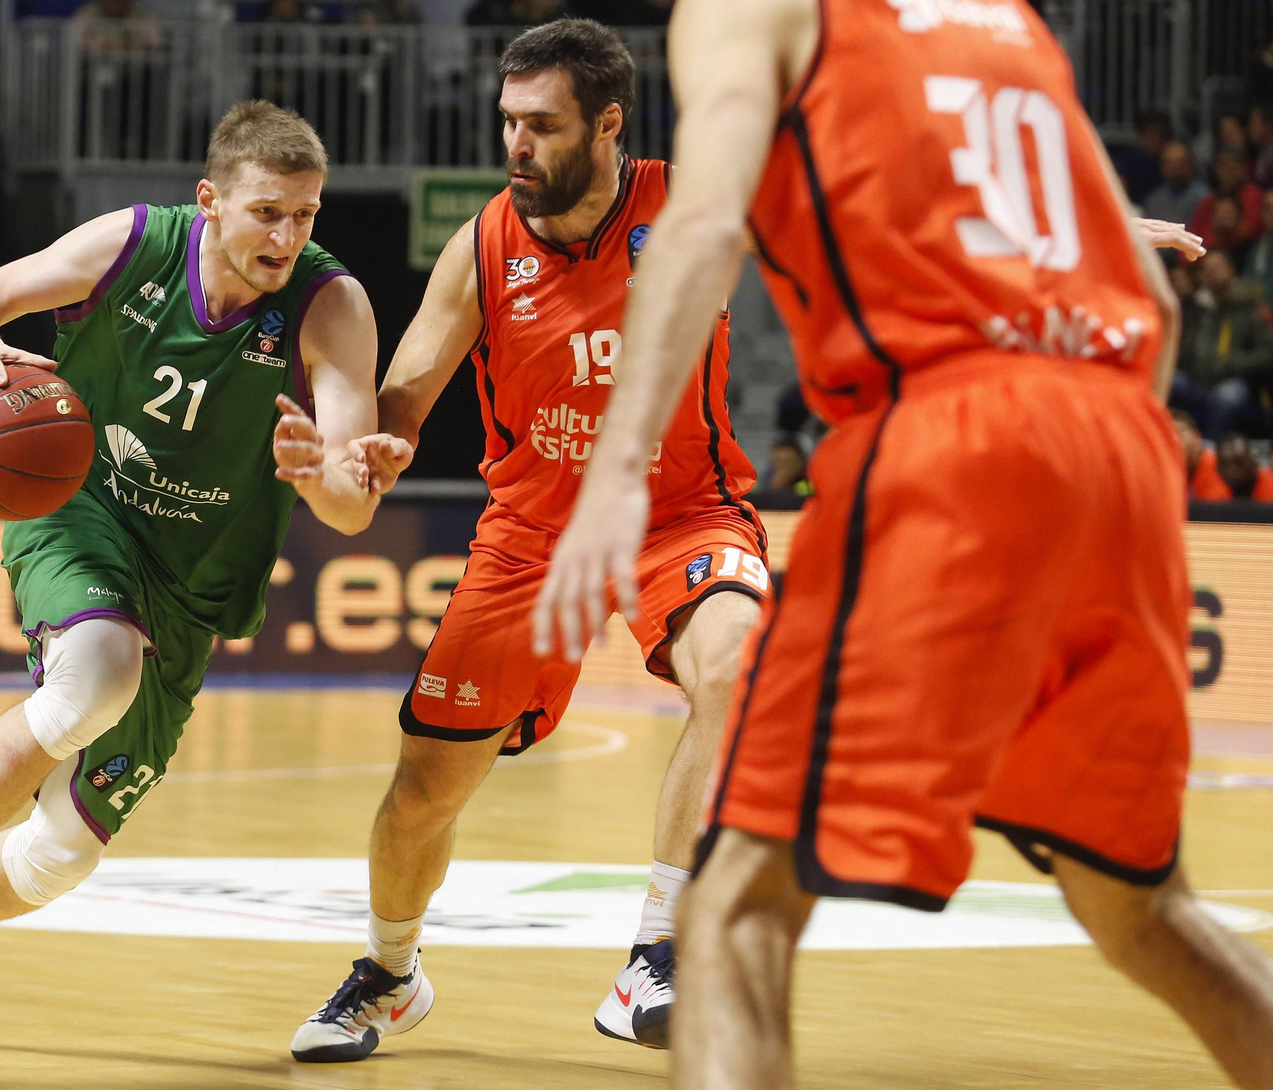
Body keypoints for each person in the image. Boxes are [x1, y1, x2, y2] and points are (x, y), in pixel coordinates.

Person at [535, 1, 1273, 1088]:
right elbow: (1148, 305)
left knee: (733, 907)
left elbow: (699, 224)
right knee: (1140, 906)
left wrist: (613, 472)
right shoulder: (1007, 21)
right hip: (1120, 439)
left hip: (949, 432)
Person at [0, 100, 409, 1054]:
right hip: (80, 506)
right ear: (210, 200)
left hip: (193, 581)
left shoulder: (331, 305)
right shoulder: (131, 244)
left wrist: (319, 474)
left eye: (306, 215)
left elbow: (352, 504)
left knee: (59, 855)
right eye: (268, 212)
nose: (288, 236)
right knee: (94, 675)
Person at [289, 21, 768, 1063]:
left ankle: (659, 951)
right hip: (533, 534)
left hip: (677, 512)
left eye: (541, 125)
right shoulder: (481, 244)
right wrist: (377, 444)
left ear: (607, 125)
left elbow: (859, 227)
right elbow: (409, 384)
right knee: (423, 791)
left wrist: (1063, 240)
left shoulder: (690, 202)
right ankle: (387, 969)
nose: (516, 144)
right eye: (508, 122)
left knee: (741, 661)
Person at [1173, 249, 1273, 441]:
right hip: (1199, 381)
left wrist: (1231, 363)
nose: (1211, 273)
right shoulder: (1199, 307)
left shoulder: (1249, 306)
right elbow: (1185, 350)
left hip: (1236, 381)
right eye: (1206, 269)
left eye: (1217, 267)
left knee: (1227, 396)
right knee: (1172, 380)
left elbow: (1267, 354)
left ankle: (1210, 447)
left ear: (1231, 270)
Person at [1143, 141, 1210, 229]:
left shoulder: (1205, 197)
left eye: (1180, 161)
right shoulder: (1154, 201)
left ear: (1190, 163)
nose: (1175, 166)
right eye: (1170, 162)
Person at [1217, 434, 1273, 501]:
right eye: (1228, 465)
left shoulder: (1268, 485)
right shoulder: (1214, 491)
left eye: (1239, 462)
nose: (1235, 471)